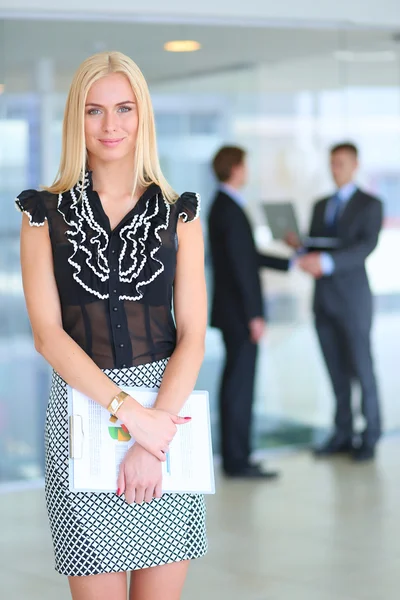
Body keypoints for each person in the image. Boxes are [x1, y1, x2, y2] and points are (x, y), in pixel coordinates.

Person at [15, 51, 207, 600]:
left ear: (142, 115)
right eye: (94, 111)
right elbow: (48, 335)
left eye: (124, 108)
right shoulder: (41, 214)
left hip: (168, 418)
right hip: (82, 414)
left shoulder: (180, 213)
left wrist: (154, 436)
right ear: (76, 119)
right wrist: (131, 417)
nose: (110, 125)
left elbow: (192, 332)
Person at [288, 142, 383, 462]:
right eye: (332, 163)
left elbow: (364, 247)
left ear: (355, 165)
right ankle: (343, 433)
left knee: (362, 368)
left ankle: (370, 436)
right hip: (324, 300)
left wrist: (326, 263)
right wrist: (299, 248)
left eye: (341, 163)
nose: (335, 168)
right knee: (336, 371)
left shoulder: (370, 204)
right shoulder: (320, 205)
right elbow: (316, 246)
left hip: (353, 300)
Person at [207, 146, 290, 479]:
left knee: (236, 385)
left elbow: (247, 256)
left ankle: (236, 457)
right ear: (236, 168)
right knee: (240, 387)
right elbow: (243, 267)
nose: (248, 170)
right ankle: (238, 460)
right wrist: (255, 315)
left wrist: (290, 262)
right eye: (246, 164)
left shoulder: (222, 206)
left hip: (231, 313)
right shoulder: (230, 208)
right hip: (240, 314)